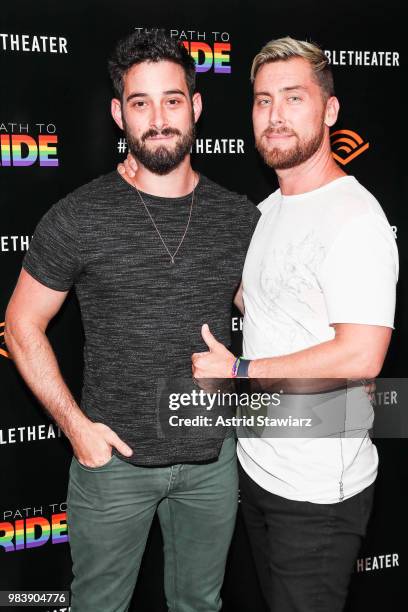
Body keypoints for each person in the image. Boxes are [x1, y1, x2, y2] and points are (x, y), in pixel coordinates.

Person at [4, 31, 259, 612]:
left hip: (212, 463)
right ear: (119, 114)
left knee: (200, 603)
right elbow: (21, 325)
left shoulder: (240, 217)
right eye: (141, 103)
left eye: (172, 100)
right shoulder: (78, 216)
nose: (159, 118)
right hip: (112, 467)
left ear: (195, 108)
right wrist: (76, 427)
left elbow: (275, 315)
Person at [191, 37, 399, 611]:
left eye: (293, 97)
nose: (275, 115)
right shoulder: (269, 209)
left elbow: (361, 356)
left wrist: (239, 370)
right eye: (262, 101)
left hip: (316, 495)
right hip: (260, 469)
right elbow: (269, 301)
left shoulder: (355, 218)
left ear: (329, 111)